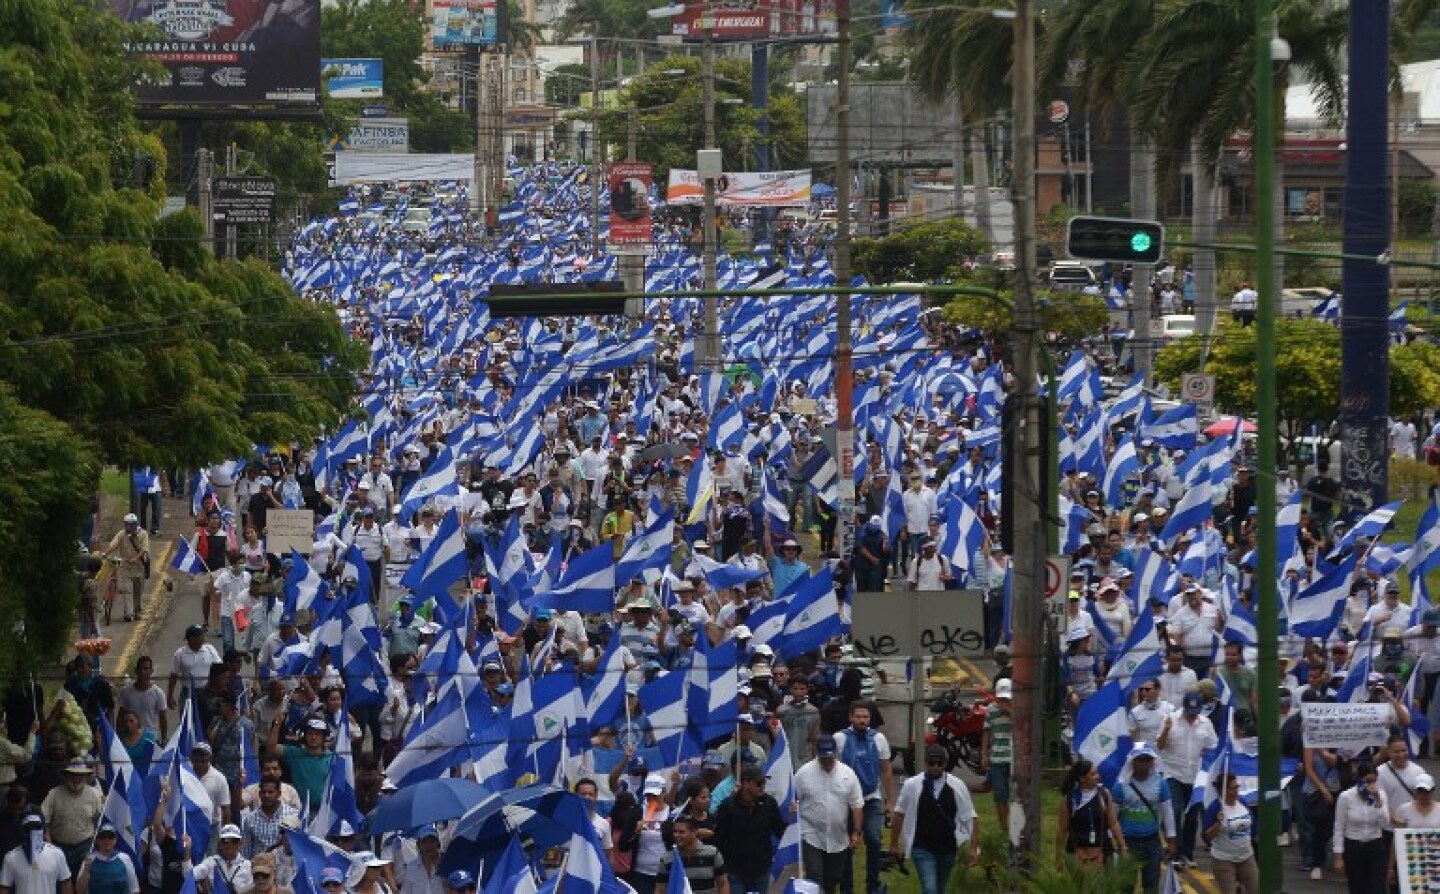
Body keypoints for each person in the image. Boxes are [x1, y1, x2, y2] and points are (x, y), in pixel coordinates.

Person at [887, 745, 980, 894]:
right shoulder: (912, 785)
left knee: (939, 888)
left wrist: (974, 848)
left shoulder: (957, 786)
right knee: (930, 888)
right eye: (931, 763)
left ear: (946, 763)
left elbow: (971, 816)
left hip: (947, 847)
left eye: (940, 763)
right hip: (922, 846)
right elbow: (899, 813)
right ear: (925, 762)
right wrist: (893, 845)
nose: (935, 767)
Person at [833, 703, 892, 894]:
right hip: (846, 801)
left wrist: (889, 800)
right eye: (858, 717)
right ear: (851, 717)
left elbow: (885, 769)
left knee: (874, 839)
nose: (862, 720)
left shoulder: (879, 739)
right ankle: (846, 887)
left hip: (871, 797)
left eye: (865, 717)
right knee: (846, 844)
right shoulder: (840, 738)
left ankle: (873, 885)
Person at [794, 738, 862, 894]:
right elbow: (794, 800)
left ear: (836, 753)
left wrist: (856, 832)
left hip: (838, 838)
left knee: (832, 880)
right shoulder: (804, 773)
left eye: (830, 757)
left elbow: (856, 805)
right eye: (823, 758)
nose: (827, 761)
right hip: (811, 834)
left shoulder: (848, 774)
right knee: (814, 878)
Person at [1157, 691, 1216, 869]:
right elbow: (1160, 745)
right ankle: (1175, 851)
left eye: (1195, 712)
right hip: (1172, 773)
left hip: (1196, 776)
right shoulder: (1170, 719)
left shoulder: (1206, 723)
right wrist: (1166, 729)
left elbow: (1212, 746)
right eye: (1189, 712)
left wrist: (1207, 755)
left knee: (1191, 817)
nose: (1192, 716)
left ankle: (1187, 853)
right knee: (1174, 812)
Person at [1109, 744, 1175, 894]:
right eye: (1141, 760)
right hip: (1128, 843)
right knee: (1126, 886)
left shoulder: (1161, 784)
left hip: (1152, 842)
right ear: (1133, 762)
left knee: (1151, 886)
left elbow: (1168, 813)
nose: (1145, 763)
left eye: (1148, 760)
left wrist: (1172, 841)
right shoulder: (1121, 786)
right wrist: (1114, 843)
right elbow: (1112, 817)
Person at [713, 765, 786, 894]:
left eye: (764, 782)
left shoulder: (769, 804)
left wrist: (792, 821)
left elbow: (780, 830)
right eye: (759, 783)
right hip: (735, 870)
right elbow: (720, 838)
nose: (763, 786)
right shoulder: (727, 807)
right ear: (746, 783)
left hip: (761, 868)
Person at [1332, 762, 1391, 894]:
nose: (1370, 785)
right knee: (1357, 887)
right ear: (1358, 780)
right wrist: (1338, 856)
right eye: (1367, 781)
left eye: (1373, 781)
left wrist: (1377, 801)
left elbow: (1385, 823)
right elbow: (1339, 827)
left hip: (1375, 846)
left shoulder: (1381, 795)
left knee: (1377, 887)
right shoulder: (1346, 797)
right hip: (1354, 847)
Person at [1055, 759, 1125, 868]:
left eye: (1096, 772)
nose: (1098, 776)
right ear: (1082, 778)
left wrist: (1122, 847)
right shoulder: (1070, 799)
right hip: (1076, 854)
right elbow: (1062, 830)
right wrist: (1058, 858)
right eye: (1093, 774)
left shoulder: (1104, 795)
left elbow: (1113, 823)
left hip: (1102, 853)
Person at [41, 762, 102, 879]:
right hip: (58, 848)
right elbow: (44, 821)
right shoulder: (54, 794)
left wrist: (96, 847)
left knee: (83, 883)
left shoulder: (95, 795)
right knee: (61, 883)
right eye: (73, 775)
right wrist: (49, 845)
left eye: (80, 775)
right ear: (66, 776)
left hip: (85, 848)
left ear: (86, 777)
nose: (76, 779)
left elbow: (100, 822)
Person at [1203, 773, 1258, 894]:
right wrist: (1218, 823)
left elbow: (1252, 822)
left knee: (1255, 889)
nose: (1237, 790)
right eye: (1233, 788)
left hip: (1246, 857)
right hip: (1224, 860)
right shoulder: (1215, 808)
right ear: (1224, 790)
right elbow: (1207, 837)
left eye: (1237, 786)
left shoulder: (1242, 802)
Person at [0, 813, 73, 894]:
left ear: (42, 831)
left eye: (36, 828)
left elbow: (66, 882)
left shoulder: (56, 853)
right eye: (28, 829)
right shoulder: (11, 857)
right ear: (22, 831)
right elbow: (4, 887)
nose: (32, 833)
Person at [655, 816, 728, 894]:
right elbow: (660, 889)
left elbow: (723, 883)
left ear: (694, 832)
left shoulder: (713, 853)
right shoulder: (667, 859)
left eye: (681, 832)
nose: (676, 835)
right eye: (674, 831)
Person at [101, 514, 149, 622]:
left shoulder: (143, 534)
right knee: (127, 590)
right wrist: (105, 553)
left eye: (131, 525)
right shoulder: (121, 534)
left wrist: (136, 558)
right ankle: (129, 613)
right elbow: (114, 545)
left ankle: (137, 611)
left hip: (139, 567)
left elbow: (144, 549)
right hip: (126, 567)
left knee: (138, 591)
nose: (128, 527)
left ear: (135, 525)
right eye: (126, 525)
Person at [980, 678, 1013, 832]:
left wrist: (1008, 710)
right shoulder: (991, 710)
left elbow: (1023, 724)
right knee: (1000, 794)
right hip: (997, 758)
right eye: (1001, 697)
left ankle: (1015, 825)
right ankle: (1003, 826)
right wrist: (984, 754)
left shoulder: (1018, 708)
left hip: (1013, 758)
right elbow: (986, 732)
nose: (1003, 700)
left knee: (1014, 794)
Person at [77, 822, 140, 894]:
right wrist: (86, 871)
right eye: (103, 837)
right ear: (97, 840)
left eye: (110, 837)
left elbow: (134, 889)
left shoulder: (124, 858)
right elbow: (79, 891)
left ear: (115, 840)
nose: (107, 840)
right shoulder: (89, 860)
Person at [194, 826, 251, 894]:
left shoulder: (248, 866)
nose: (230, 844)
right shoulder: (210, 862)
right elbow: (190, 875)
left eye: (234, 841)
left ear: (240, 844)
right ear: (220, 844)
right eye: (225, 841)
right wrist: (187, 853)